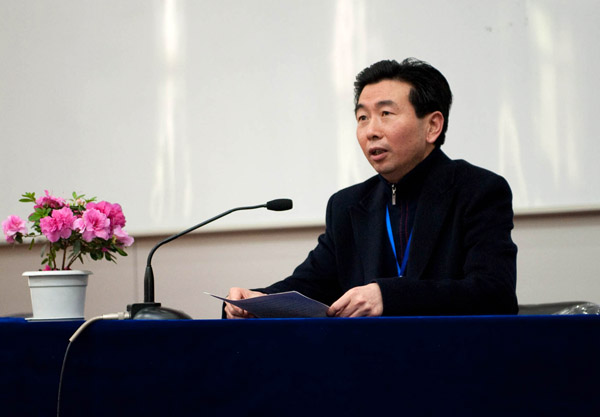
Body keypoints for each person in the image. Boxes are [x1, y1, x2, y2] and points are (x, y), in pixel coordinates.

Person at [225, 58, 518, 318]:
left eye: (386, 114)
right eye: (362, 118)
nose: (371, 131)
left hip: (449, 354)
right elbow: (311, 285)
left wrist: (388, 297)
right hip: (366, 358)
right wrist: (257, 301)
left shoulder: (478, 191)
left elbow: (494, 294)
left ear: (432, 126)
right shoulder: (348, 205)